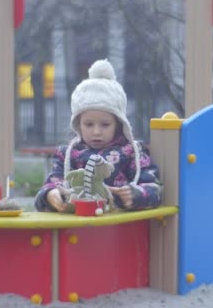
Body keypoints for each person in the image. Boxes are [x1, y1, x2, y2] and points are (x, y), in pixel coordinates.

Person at [34, 59, 162, 212]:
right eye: (88, 124)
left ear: (119, 123)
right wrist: (50, 194)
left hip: (121, 229)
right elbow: (52, 183)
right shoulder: (67, 154)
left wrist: (137, 195)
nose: (96, 132)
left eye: (105, 124)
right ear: (78, 124)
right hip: (76, 230)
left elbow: (155, 189)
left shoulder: (132, 152)